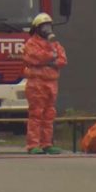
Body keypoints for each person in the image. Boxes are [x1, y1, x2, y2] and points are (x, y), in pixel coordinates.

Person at [22, 13, 67, 155]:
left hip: (51, 83)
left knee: (49, 114)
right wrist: (51, 58)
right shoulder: (31, 44)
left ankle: (47, 143)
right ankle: (33, 145)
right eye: (44, 26)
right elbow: (35, 58)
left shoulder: (55, 44)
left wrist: (49, 60)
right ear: (37, 28)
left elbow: (63, 60)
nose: (47, 29)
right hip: (36, 83)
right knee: (36, 114)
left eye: (49, 26)